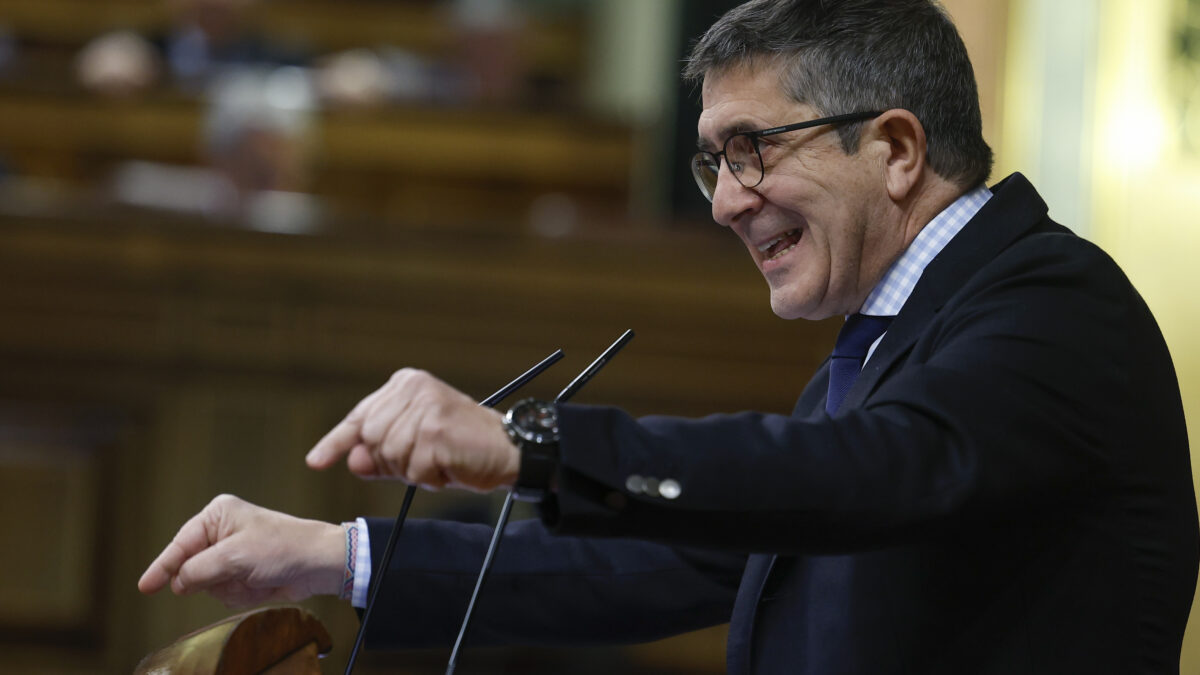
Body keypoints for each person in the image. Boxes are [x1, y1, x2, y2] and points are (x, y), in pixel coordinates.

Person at [138, 1, 1200, 672]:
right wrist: (335, 556)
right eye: (710, 161)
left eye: (752, 151)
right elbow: (677, 562)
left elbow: (864, 472)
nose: (727, 203)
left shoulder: (1057, 310)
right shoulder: (897, 339)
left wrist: (535, 444)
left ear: (894, 147)